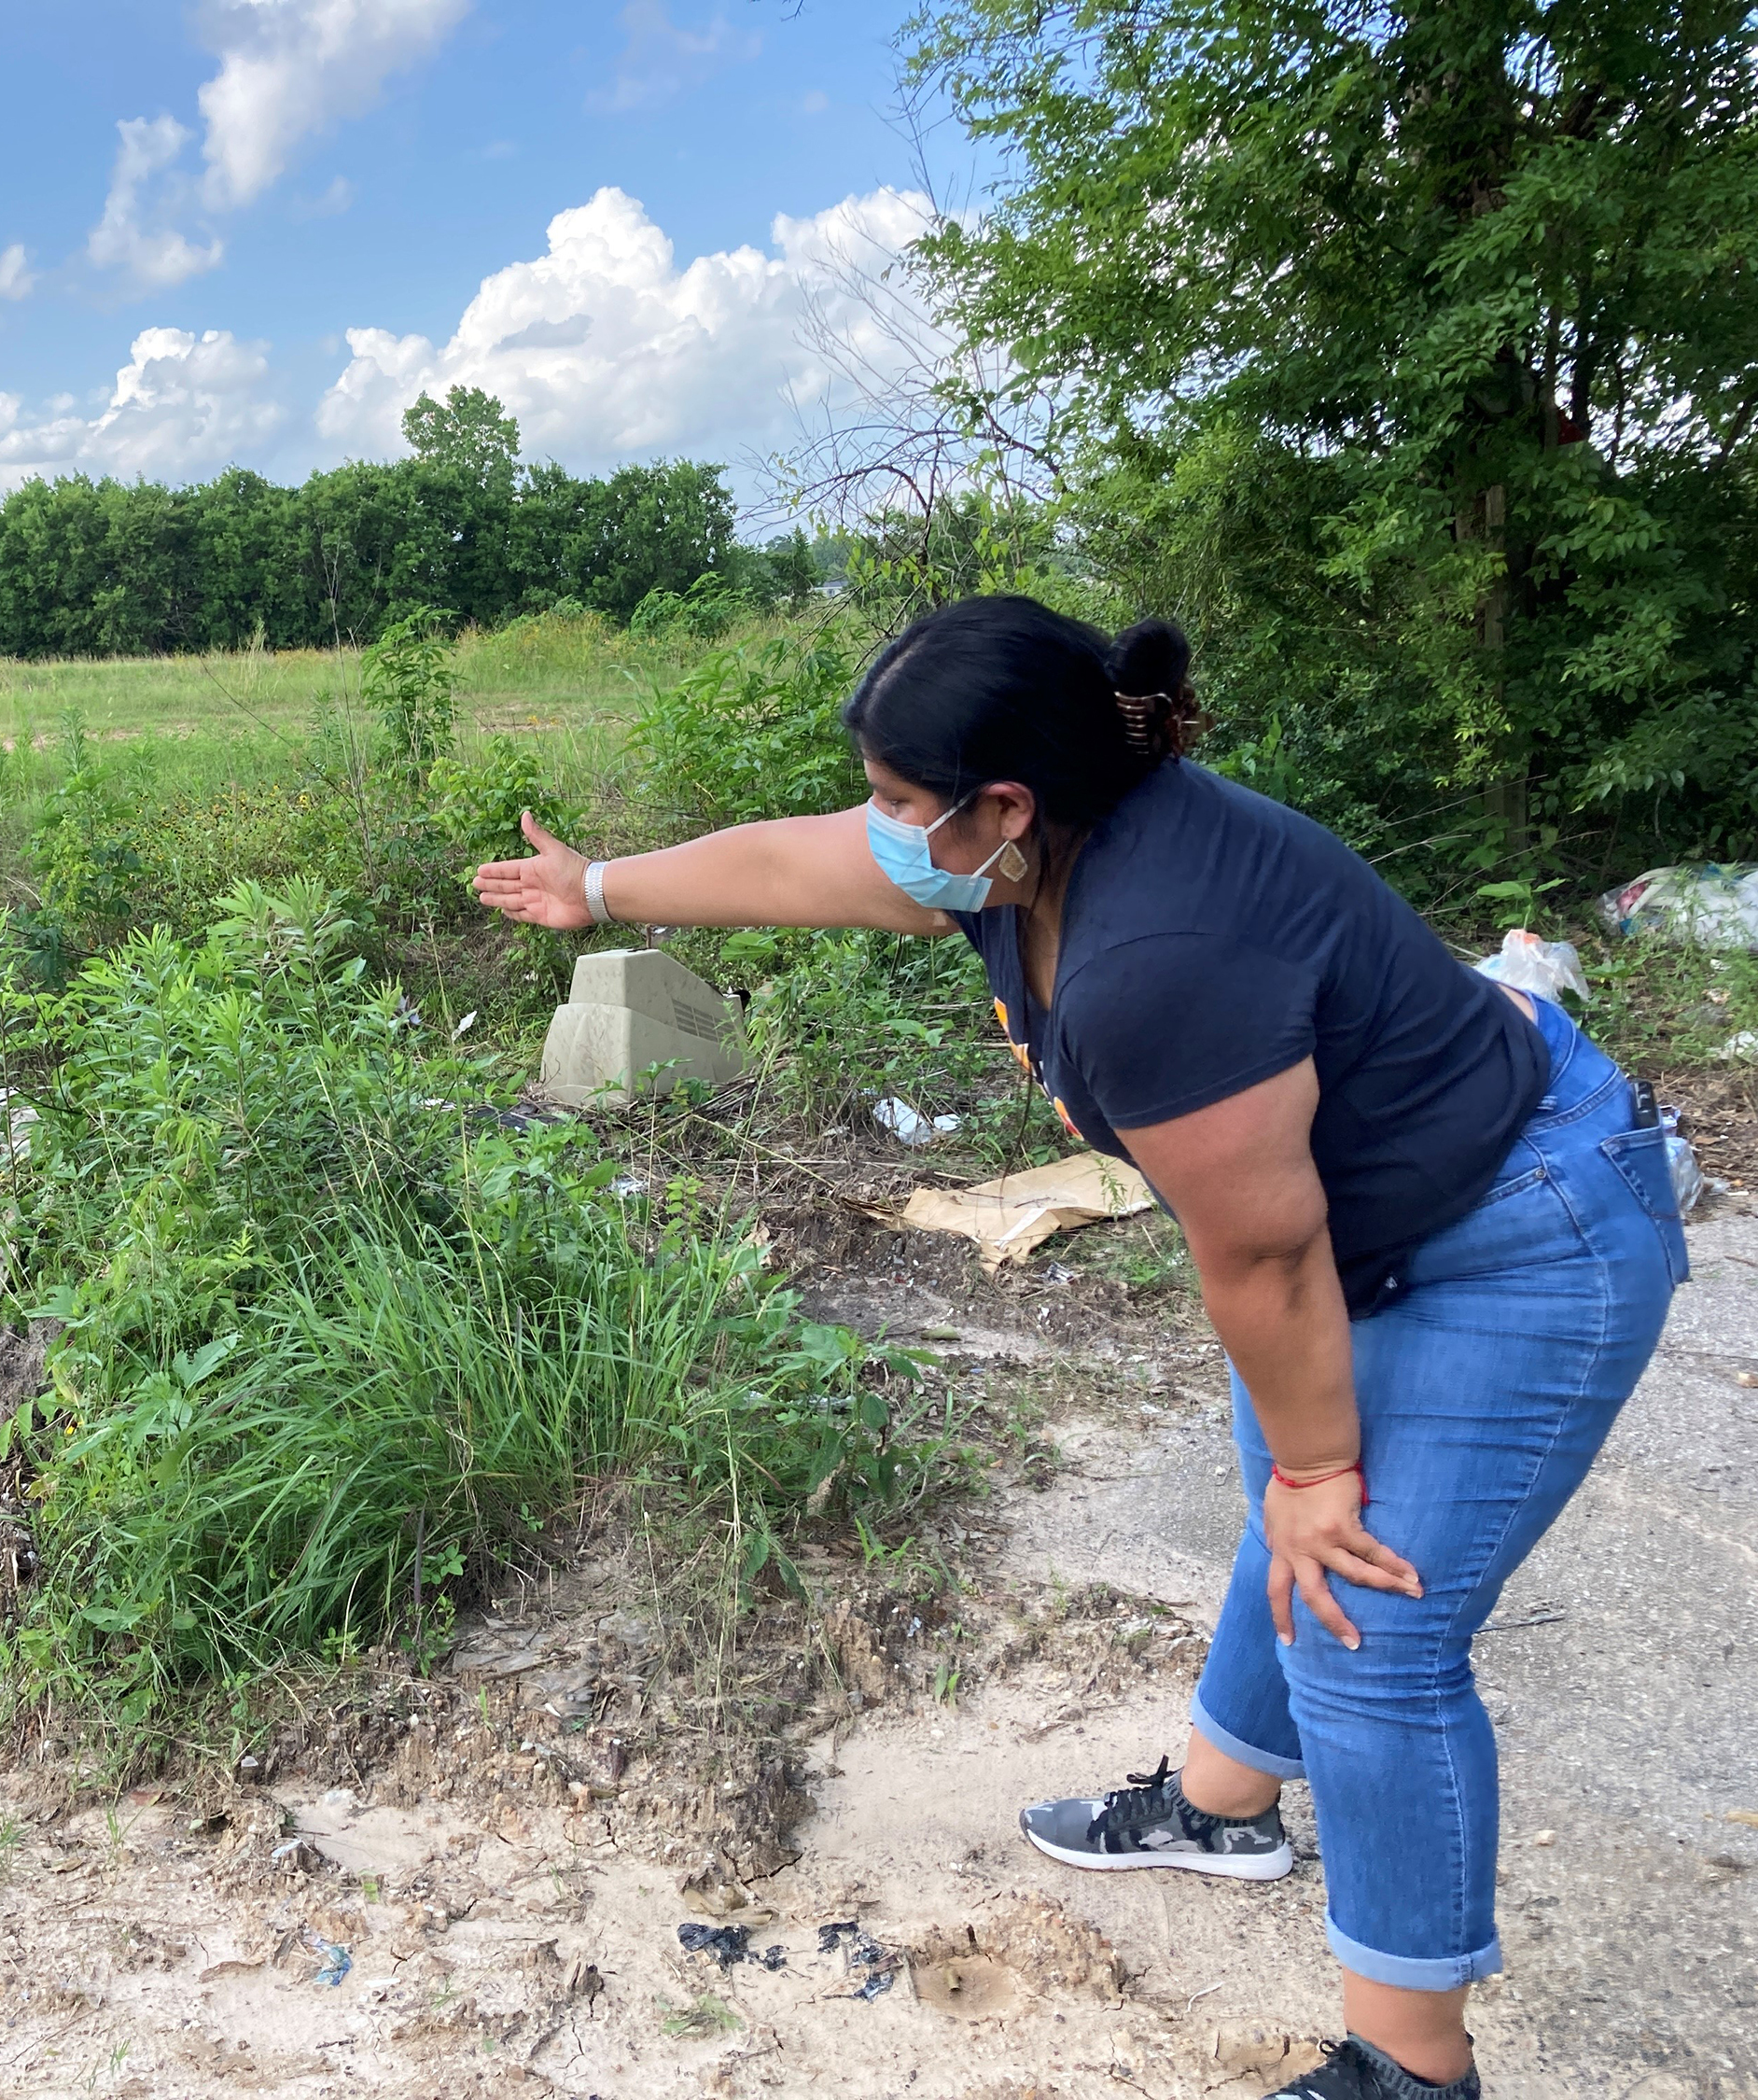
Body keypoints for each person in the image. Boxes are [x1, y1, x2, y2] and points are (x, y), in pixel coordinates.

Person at [472, 596, 1687, 2100]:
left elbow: (1265, 1253)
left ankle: (1414, 2068)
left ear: (1003, 805)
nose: (880, 825)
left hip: (1520, 1227)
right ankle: (1221, 1809)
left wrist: (1321, 1466)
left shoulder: (1154, 953)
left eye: (899, 799)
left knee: (1367, 1626)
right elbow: (796, 861)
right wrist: (596, 884)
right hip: (1373, 1222)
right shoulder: (1034, 842)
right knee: (1296, 1531)